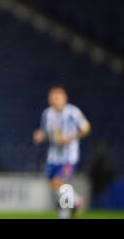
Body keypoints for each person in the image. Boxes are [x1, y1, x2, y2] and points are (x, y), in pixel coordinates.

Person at [33, 86, 91, 218]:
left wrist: (70, 137)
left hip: (69, 157)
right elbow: (45, 132)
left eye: (58, 97)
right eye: (53, 97)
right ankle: (75, 201)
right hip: (53, 157)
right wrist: (40, 136)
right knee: (55, 185)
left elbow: (86, 128)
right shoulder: (47, 113)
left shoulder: (73, 112)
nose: (55, 100)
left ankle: (64, 213)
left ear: (65, 98)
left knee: (59, 183)